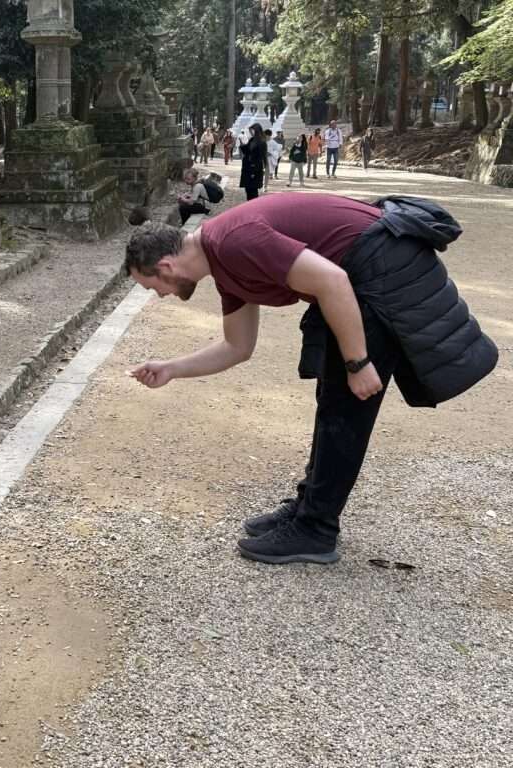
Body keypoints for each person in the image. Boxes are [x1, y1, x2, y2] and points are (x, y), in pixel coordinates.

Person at [123, 195, 497, 565]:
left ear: (166, 265)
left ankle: (316, 529)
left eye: (153, 287)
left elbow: (332, 280)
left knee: (345, 408)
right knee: (332, 399)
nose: (161, 296)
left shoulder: (233, 242)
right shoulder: (223, 264)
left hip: (380, 270)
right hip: (360, 274)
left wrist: (358, 362)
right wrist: (171, 368)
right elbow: (237, 347)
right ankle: (309, 507)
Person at [238, 125, 267, 201]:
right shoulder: (252, 139)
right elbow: (247, 150)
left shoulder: (261, 142)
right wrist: (242, 144)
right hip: (247, 167)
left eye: (252, 130)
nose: (250, 132)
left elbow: (260, 157)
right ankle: (249, 204)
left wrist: (255, 169)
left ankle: (254, 206)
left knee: (253, 190)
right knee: (248, 189)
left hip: (255, 169)